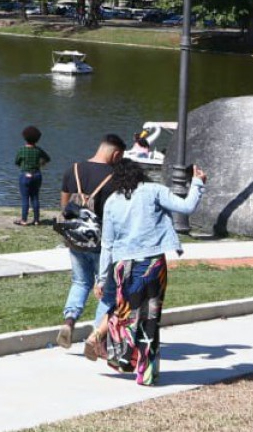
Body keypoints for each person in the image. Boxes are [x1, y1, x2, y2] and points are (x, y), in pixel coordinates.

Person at [84, 160, 207, 386]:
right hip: (152, 264)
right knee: (150, 318)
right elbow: (187, 206)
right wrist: (198, 182)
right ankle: (146, 374)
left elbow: (107, 245)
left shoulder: (112, 202)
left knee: (124, 312)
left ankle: (120, 356)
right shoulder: (154, 191)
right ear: (140, 173)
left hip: (124, 266)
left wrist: (101, 279)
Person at [54, 133, 128, 347]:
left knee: (80, 281)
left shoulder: (73, 169)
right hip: (101, 242)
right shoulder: (115, 177)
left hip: (75, 239)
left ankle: (69, 321)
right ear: (115, 154)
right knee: (107, 289)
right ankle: (96, 337)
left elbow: (64, 207)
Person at [14, 125, 51, 225]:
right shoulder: (38, 150)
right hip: (37, 175)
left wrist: (23, 165)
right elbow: (47, 158)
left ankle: (24, 220)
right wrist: (41, 163)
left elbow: (16, 162)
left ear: (24, 137)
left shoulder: (21, 150)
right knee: (35, 197)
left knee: (25, 198)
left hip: (25, 175)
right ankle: (36, 220)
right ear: (37, 139)